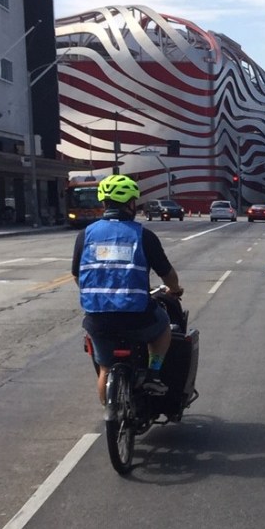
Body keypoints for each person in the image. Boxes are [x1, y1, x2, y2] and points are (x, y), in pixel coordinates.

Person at [72, 174, 183, 406]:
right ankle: (153, 372)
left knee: (104, 367)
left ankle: (110, 412)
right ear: (132, 204)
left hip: (98, 319)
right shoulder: (143, 235)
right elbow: (167, 273)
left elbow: (76, 274)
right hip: (137, 318)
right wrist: (175, 289)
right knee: (163, 327)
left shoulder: (85, 235)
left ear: (104, 203)